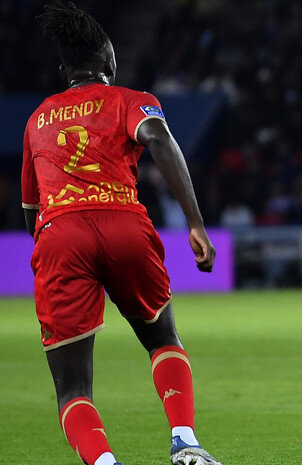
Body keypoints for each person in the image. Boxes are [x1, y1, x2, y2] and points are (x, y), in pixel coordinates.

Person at [21, 3, 221, 464]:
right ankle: (186, 444)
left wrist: (54, 257)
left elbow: (31, 210)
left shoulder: (37, 119)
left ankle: (106, 461)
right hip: (123, 223)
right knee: (163, 339)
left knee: (72, 387)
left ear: (63, 69)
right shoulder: (130, 100)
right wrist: (194, 221)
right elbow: (157, 137)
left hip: (60, 233)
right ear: (109, 62)